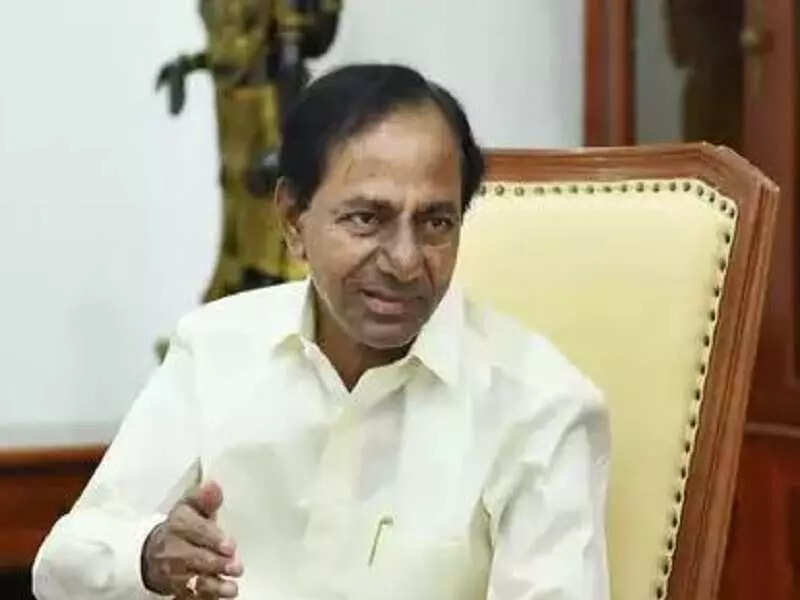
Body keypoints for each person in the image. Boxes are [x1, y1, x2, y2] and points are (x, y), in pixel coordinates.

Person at [33, 64, 610, 600]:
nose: (406, 261)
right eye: (367, 219)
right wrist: (149, 554)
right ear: (293, 221)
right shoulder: (216, 348)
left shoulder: (541, 407)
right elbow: (60, 568)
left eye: (436, 222)